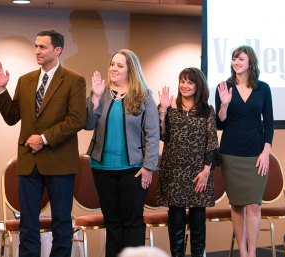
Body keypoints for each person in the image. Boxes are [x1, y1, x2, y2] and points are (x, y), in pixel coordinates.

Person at [0, 30, 86, 257]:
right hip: (29, 162)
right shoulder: (25, 80)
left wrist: (44, 139)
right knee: (28, 223)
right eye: (35, 46)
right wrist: (1, 90)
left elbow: (77, 119)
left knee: (62, 222)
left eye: (42, 47)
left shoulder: (74, 80)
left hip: (60, 163)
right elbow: (12, 117)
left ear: (57, 50)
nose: (37, 51)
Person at [85, 49, 160, 257]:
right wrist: (95, 99)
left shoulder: (144, 96)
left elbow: (153, 134)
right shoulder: (101, 93)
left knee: (133, 222)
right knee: (112, 223)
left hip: (134, 169)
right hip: (102, 168)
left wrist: (148, 167)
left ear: (130, 70)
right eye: (112, 64)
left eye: (119, 65)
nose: (113, 69)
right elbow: (88, 124)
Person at [215, 45, 274, 257]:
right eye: (234, 59)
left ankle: (252, 252)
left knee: (254, 205)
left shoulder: (263, 88)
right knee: (238, 205)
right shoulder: (224, 87)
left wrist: (266, 150)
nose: (236, 62)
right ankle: (242, 252)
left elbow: (269, 122)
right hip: (231, 153)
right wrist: (224, 105)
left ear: (250, 62)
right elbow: (220, 123)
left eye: (240, 58)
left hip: (256, 153)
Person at [157, 67, 220, 257]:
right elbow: (161, 135)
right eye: (182, 81)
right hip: (173, 173)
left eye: (190, 82)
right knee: (175, 225)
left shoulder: (207, 111)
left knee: (198, 227)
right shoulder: (170, 108)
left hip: (198, 175)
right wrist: (162, 110)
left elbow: (212, 143)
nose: (185, 85)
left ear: (198, 85)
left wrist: (206, 172)